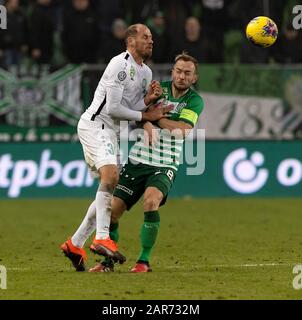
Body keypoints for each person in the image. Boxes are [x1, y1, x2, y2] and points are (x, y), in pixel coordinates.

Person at [60, 24, 172, 271]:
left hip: (111, 132)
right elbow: (112, 108)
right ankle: (101, 237)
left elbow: (130, 106)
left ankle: (75, 243)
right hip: (94, 125)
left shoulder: (145, 73)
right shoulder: (119, 64)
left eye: (152, 38)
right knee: (110, 176)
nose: (150, 41)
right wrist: (146, 116)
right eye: (145, 37)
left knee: (109, 184)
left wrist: (148, 103)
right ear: (131, 41)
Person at [88, 52, 205, 273]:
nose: (181, 76)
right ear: (173, 72)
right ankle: (107, 263)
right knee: (112, 210)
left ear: (194, 78)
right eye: (178, 71)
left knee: (151, 202)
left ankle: (143, 261)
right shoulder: (157, 89)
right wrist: (146, 121)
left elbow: (181, 131)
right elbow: (134, 113)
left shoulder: (194, 101)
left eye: (187, 73)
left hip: (165, 163)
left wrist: (154, 118)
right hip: (138, 159)